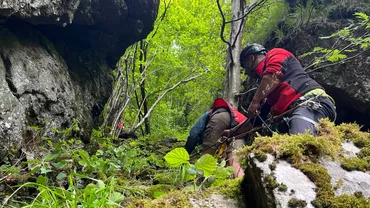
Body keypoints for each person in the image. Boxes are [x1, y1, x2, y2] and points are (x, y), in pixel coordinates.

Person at [239, 43, 336, 135]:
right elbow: (260, 116)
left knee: (300, 142)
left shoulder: (275, 53)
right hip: (300, 109)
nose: (246, 72)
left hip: (310, 102)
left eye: (245, 66)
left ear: (251, 58)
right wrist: (233, 132)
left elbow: (273, 75)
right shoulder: (272, 91)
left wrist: (255, 102)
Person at [184, 98, 248, 177]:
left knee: (207, 155)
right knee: (234, 161)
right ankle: (240, 181)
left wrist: (186, 154)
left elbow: (194, 134)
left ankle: (200, 180)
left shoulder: (209, 114)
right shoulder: (236, 115)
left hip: (220, 120)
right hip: (242, 128)